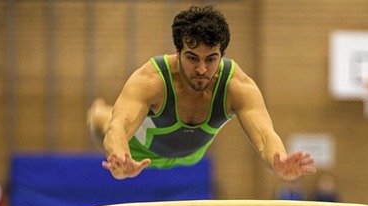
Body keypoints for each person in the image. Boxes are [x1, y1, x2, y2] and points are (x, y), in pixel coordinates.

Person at [87, 5, 316, 180]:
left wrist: (279, 162)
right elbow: (118, 128)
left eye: (211, 59)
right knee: (103, 122)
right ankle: (98, 111)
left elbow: (266, 138)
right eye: (192, 58)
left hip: (191, 155)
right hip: (138, 152)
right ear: (178, 52)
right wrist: (119, 157)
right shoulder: (151, 80)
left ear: (222, 55)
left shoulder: (237, 86)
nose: (202, 69)